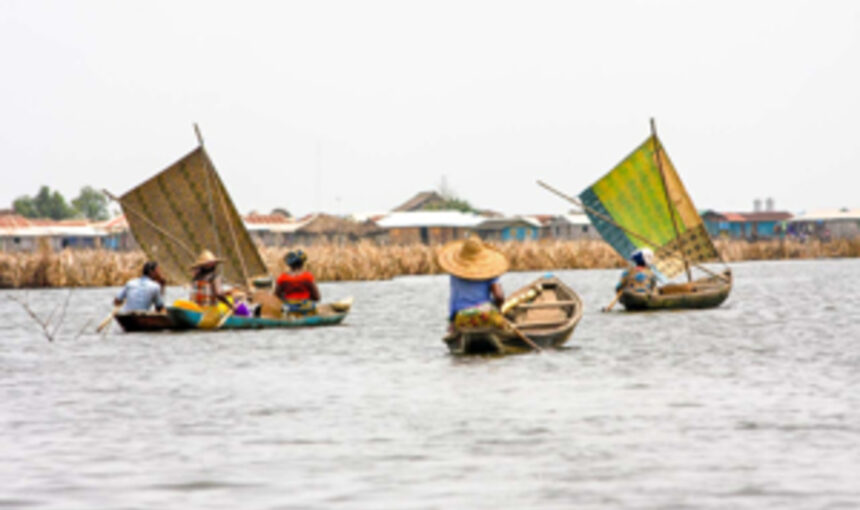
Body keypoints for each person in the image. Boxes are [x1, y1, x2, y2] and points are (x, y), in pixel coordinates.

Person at [437, 237, 508, 329]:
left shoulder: (455, 272)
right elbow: (499, 297)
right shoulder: (489, 272)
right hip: (485, 317)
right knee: (502, 324)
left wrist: (452, 320)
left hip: (461, 318)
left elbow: (454, 299)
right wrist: (498, 310)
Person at [275, 250, 320, 316]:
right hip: (307, 308)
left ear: (289, 265)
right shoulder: (308, 277)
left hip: (289, 309)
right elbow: (317, 297)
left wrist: (285, 298)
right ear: (302, 263)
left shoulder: (282, 278)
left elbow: (276, 296)